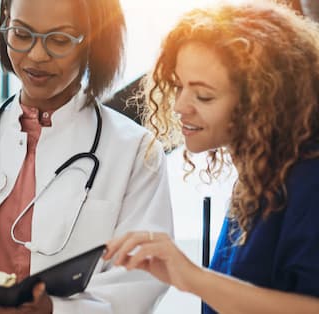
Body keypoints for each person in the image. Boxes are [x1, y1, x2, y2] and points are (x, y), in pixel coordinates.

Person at [0, 0, 173, 313]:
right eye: (21, 34)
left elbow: (140, 279)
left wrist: (53, 309)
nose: (37, 55)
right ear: (5, 25)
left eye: (59, 40)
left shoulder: (135, 151)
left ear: (94, 41)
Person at [103, 2, 319, 314]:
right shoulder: (258, 177)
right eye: (179, 86)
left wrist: (192, 277)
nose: (179, 107)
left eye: (204, 96)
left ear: (260, 101)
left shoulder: (308, 183)